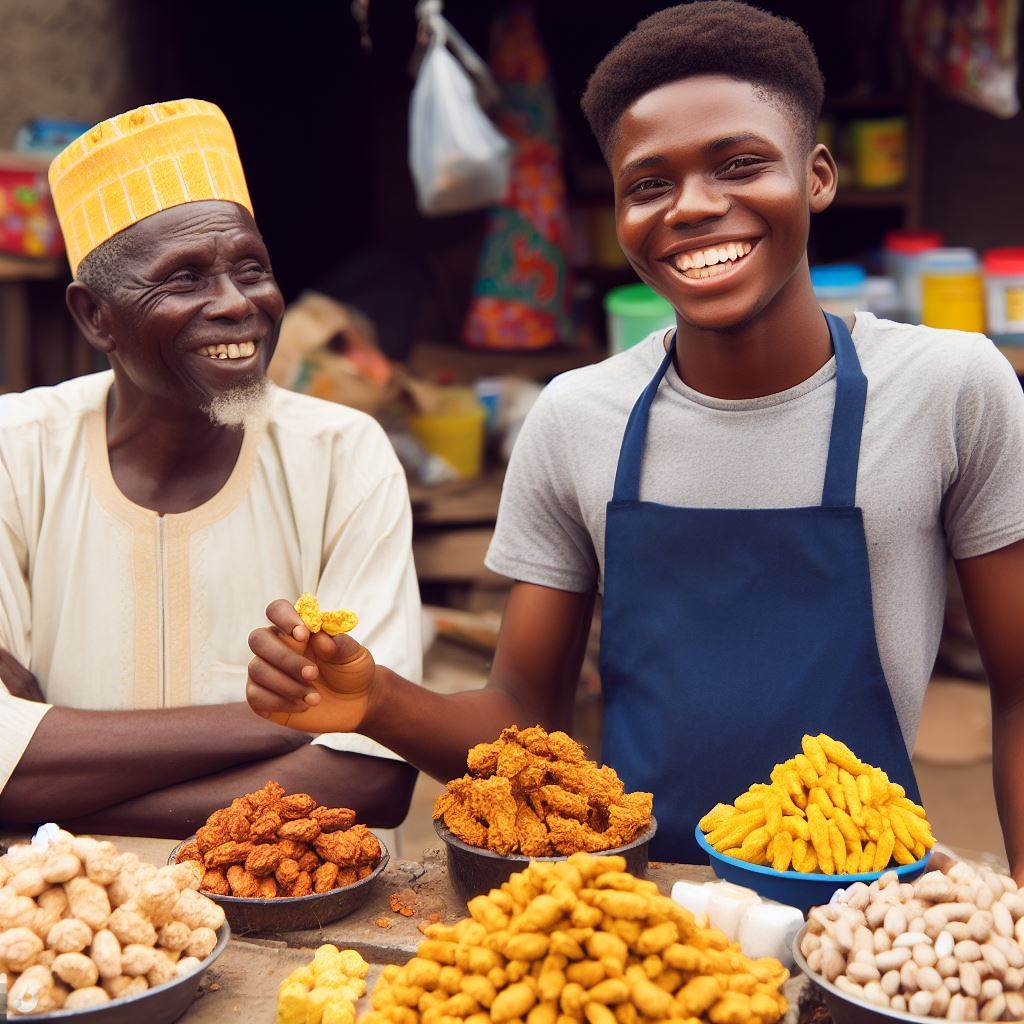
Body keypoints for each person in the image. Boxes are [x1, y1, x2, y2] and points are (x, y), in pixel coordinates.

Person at [246, 4, 1024, 872]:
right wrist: (375, 700)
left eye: (739, 164)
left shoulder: (950, 390)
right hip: (639, 909)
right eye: (649, 183)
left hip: (870, 918)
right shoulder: (579, 417)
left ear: (817, 177)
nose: (692, 206)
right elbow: (522, 722)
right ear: (618, 211)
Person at [0, 99, 421, 836]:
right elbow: (347, 732)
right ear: (94, 315)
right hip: (58, 922)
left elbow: (369, 778)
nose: (237, 305)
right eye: (185, 278)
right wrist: (280, 722)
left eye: (250, 268)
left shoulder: (342, 456)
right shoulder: (16, 450)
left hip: (287, 918)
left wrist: (49, 773)